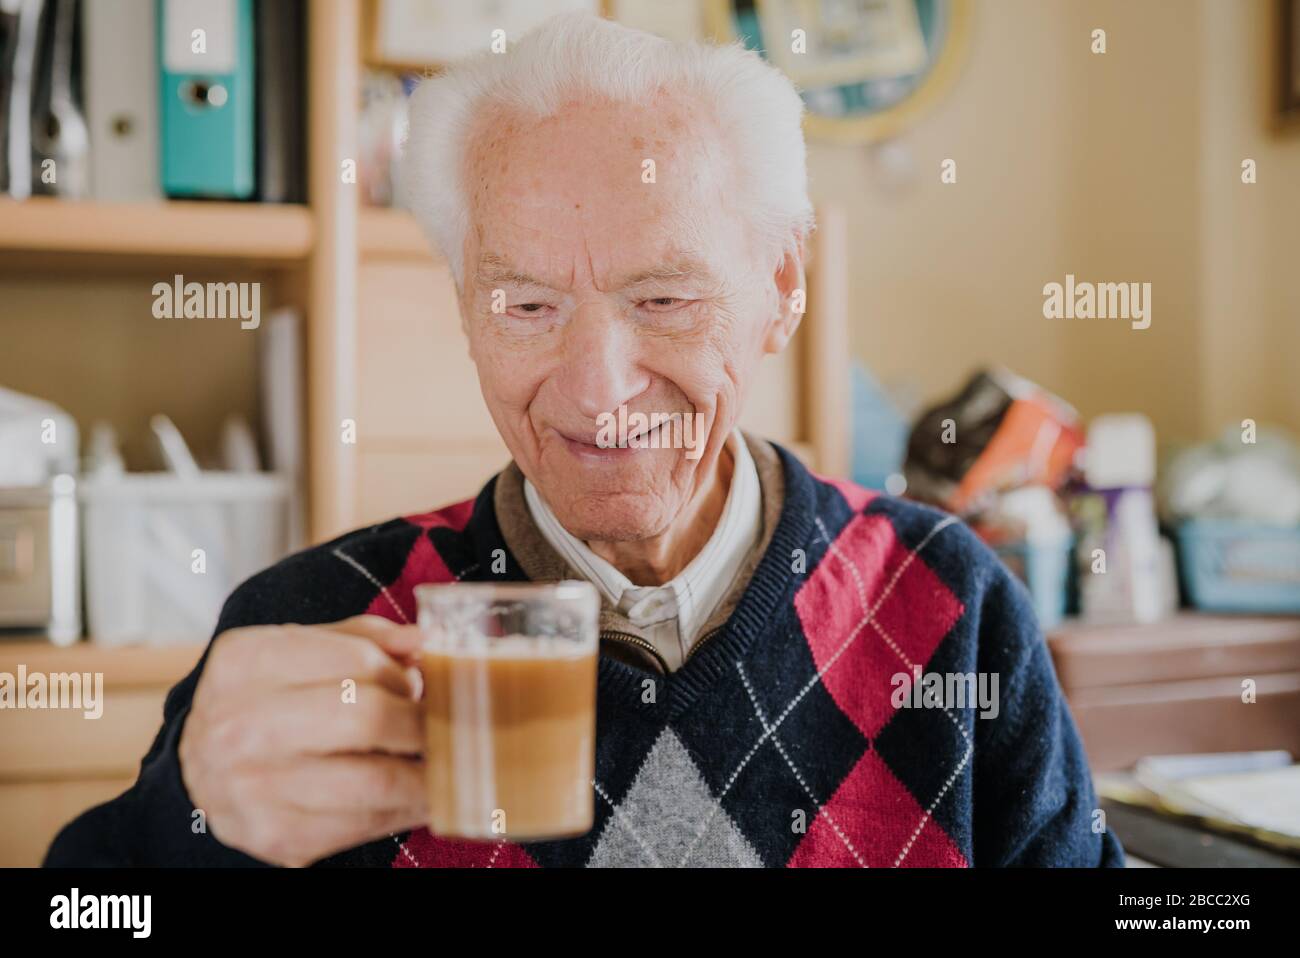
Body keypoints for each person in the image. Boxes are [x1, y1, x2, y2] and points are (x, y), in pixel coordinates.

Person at [46, 12, 1121, 868]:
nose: (599, 387)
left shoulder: (947, 604)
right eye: (525, 306)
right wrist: (182, 823)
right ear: (465, 307)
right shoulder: (314, 623)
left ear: (778, 289)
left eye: (662, 297)